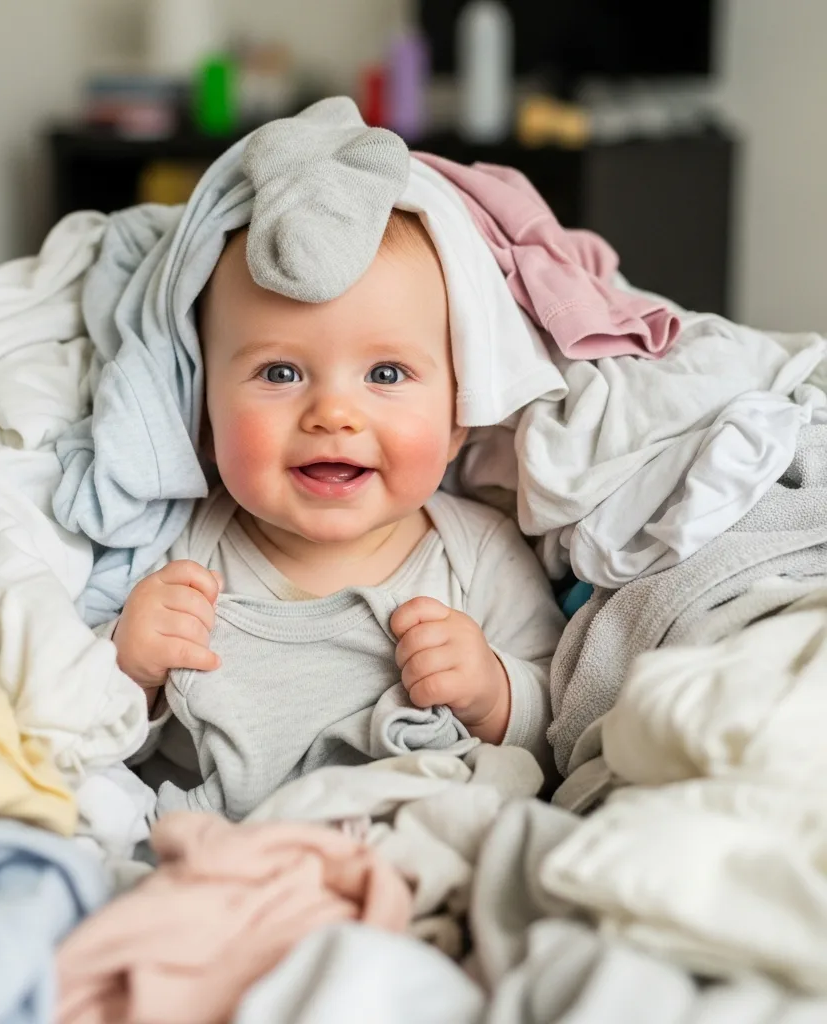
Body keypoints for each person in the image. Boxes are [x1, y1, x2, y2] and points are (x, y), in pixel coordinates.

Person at [108, 210, 565, 815]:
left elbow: (559, 731)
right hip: (229, 846)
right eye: (280, 372)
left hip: (411, 835)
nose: (334, 413)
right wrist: (130, 672)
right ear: (204, 419)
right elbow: (102, 747)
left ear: (458, 421)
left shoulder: (480, 552)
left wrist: (493, 694)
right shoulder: (179, 554)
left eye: (385, 373)